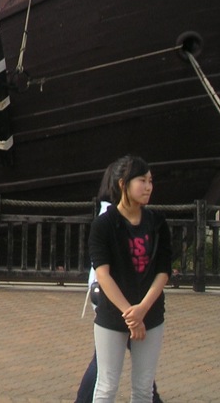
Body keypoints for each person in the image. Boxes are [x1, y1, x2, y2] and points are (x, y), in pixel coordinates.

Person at [88, 155, 172, 403]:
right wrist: (130, 314)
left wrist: (142, 310)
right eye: (142, 180)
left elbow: (163, 271)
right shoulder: (103, 225)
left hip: (151, 314)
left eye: (150, 181)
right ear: (123, 184)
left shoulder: (157, 222)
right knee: (106, 386)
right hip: (113, 315)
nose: (148, 187)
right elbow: (102, 274)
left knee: (144, 388)